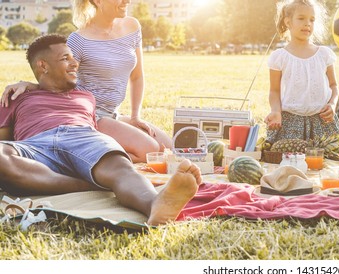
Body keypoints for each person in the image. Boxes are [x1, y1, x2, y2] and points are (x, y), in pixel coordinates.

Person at [0, 34, 200, 226]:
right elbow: (5, 141)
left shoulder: (86, 97)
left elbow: (105, 119)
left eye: (74, 58)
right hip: (35, 146)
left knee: (120, 167)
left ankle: (154, 204)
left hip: (83, 137)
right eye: (65, 58)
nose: (75, 63)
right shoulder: (16, 96)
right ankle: (87, 184)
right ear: (43, 65)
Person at [1, 0, 172, 163]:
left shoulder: (132, 27)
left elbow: (137, 76)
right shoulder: (79, 39)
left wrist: (135, 117)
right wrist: (31, 86)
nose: (127, 1)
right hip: (88, 115)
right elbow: (59, 76)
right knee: (152, 151)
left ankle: (104, 152)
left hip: (113, 114)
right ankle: (94, 159)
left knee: (170, 148)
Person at [264, 0, 339, 143]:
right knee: (289, 162)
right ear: (288, 22)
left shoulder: (324, 54)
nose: (308, 24)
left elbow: (333, 86)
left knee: (326, 162)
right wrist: (275, 111)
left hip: (322, 122)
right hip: (290, 123)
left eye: (312, 20)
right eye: (301, 18)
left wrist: (332, 104)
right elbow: (274, 91)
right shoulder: (279, 57)